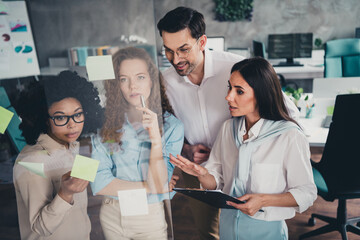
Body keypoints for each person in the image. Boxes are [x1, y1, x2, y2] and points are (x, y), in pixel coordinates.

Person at [157, 6, 300, 239]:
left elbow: (288, 113)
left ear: (202, 42)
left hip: (244, 164)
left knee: (249, 226)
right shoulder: (165, 82)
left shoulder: (236, 67)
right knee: (208, 231)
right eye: (169, 51)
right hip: (198, 169)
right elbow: (164, 127)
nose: (176, 59)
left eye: (183, 49)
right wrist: (185, 148)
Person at [170, 57, 317, 240]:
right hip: (228, 228)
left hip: (267, 231)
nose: (228, 97)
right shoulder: (227, 129)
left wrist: (263, 200)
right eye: (229, 87)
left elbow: (307, 192)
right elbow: (217, 180)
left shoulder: (289, 136)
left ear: (261, 94)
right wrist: (202, 174)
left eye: (239, 91)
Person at [90, 47, 184, 240]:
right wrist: (152, 187)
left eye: (140, 77)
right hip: (112, 215)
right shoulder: (106, 125)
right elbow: (99, 183)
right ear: (117, 85)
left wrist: (156, 140)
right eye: (124, 79)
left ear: (152, 79)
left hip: (149, 216)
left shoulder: (173, 127)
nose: (132, 86)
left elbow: (159, 181)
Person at [13, 71, 104, 240]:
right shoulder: (31, 161)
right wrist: (65, 194)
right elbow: (40, 228)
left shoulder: (73, 148)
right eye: (61, 117)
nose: (72, 125)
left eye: (77, 114)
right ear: (45, 120)